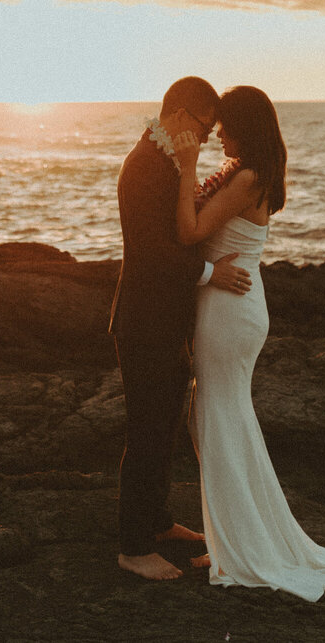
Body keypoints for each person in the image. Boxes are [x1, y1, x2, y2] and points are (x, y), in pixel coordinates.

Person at [172, 85, 325, 600]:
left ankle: (238, 546)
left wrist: (187, 164)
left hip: (230, 309)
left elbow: (191, 234)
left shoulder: (248, 177)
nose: (217, 133)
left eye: (224, 125)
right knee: (216, 414)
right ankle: (233, 535)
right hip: (232, 304)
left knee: (219, 415)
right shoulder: (249, 172)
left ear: (245, 126)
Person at [110, 77, 252, 581]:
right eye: (207, 124)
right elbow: (152, 252)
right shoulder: (144, 165)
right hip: (145, 322)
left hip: (167, 319)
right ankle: (132, 547)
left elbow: (182, 227)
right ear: (179, 116)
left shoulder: (167, 158)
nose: (212, 135)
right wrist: (214, 272)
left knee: (167, 422)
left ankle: (158, 520)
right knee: (147, 430)